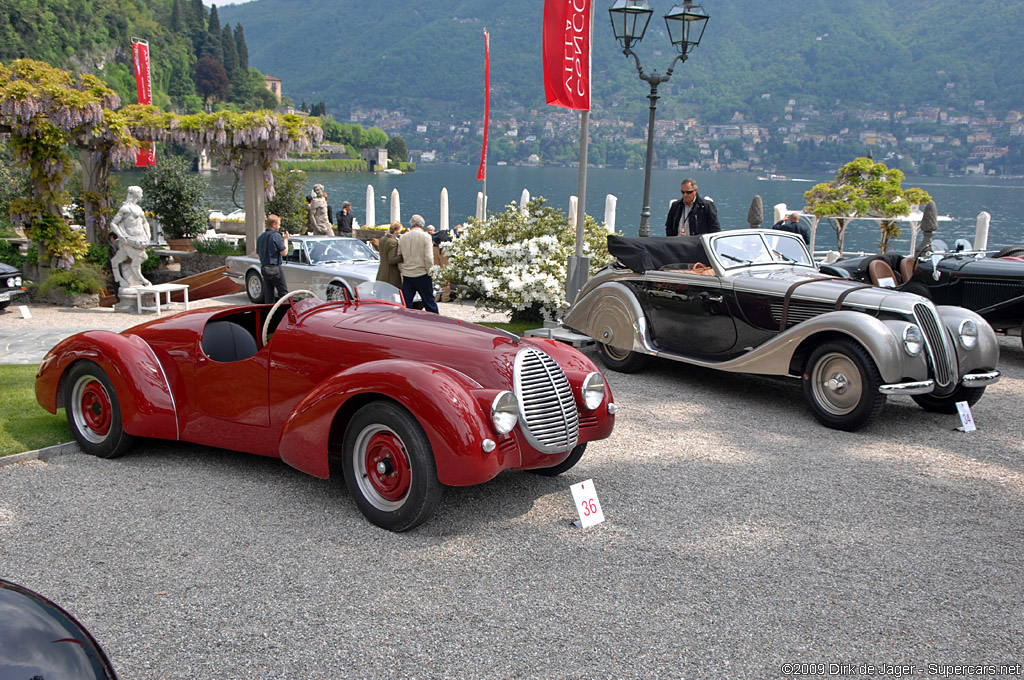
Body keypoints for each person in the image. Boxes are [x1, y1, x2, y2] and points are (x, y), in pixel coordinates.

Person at [109, 185, 152, 293]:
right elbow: (113, 223)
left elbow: (145, 222)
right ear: (136, 194)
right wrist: (121, 236)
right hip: (129, 239)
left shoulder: (138, 208)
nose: (142, 195)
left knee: (119, 259)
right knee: (141, 257)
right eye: (140, 193)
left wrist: (148, 234)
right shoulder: (125, 208)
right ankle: (142, 280)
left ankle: (122, 278)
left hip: (140, 239)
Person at [398, 214, 439, 313]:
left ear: (411, 224)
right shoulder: (426, 237)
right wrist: (430, 272)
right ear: (422, 225)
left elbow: (399, 256)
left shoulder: (403, 237)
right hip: (422, 273)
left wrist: (402, 270)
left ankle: (404, 323)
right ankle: (436, 323)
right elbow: (429, 258)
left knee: (406, 304)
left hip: (407, 274)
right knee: (429, 302)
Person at [256, 214, 289, 303]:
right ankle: (284, 313)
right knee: (283, 293)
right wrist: (285, 240)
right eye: (278, 224)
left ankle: (269, 313)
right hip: (275, 268)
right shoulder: (276, 236)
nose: (279, 226)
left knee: (269, 293)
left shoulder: (261, 237)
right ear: (274, 225)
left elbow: (258, 254)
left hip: (264, 267)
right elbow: (284, 252)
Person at [376, 221, 403, 288]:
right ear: (397, 231)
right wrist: (402, 257)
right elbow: (391, 260)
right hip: (390, 274)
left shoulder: (382, 239)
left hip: (381, 272)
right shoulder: (393, 242)